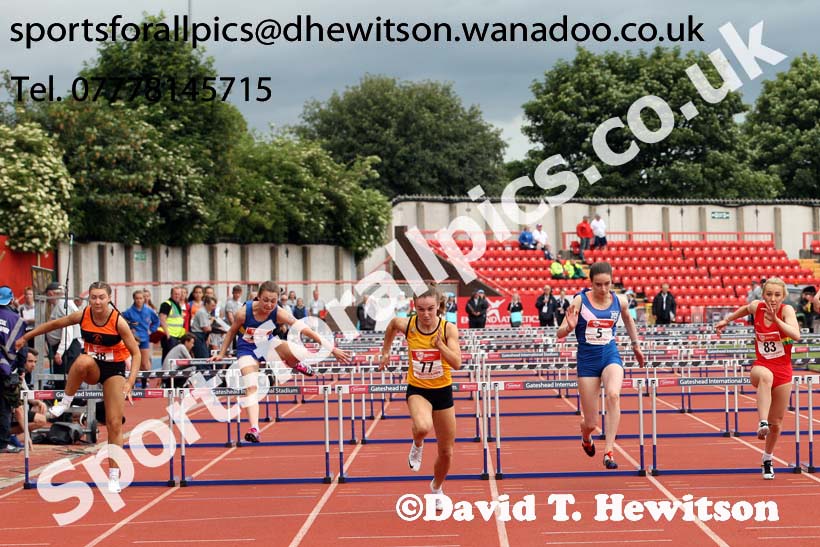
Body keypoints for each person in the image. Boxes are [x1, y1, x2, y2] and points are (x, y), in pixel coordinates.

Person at [16, 281, 140, 493]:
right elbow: (53, 325)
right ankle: (64, 402)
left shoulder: (118, 322)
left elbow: (136, 354)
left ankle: (113, 475)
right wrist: (26, 337)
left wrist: (129, 383)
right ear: (89, 299)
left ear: (109, 298)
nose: (97, 301)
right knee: (81, 360)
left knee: (114, 423)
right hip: (93, 367)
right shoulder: (84, 315)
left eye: (101, 297)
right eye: (93, 297)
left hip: (114, 370)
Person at [213, 281, 351, 443]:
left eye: (273, 301)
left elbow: (305, 329)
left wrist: (332, 349)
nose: (269, 305)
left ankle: (294, 363)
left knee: (298, 350)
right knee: (250, 386)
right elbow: (231, 332)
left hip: (267, 345)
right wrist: (221, 354)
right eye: (265, 300)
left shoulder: (279, 313)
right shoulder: (243, 313)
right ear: (258, 297)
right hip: (247, 350)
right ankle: (254, 428)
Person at [555, 262, 645, 469]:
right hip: (587, 361)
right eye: (598, 285)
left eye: (607, 284)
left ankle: (609, 451)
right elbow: (559, 333)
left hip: (610, 355)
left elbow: (629, 321)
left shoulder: (619, 300)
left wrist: (635, 345)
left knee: (613, 394)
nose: (603, 289)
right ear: (591, 283)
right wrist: (568, 328)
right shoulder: (580, 300)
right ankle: (586, 436)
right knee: (591, 423)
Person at [378, 286, 462, 507]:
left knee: (446, 451)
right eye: (421, 309)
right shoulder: (408, 325)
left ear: (439, 307)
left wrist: (441, 346)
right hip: (418, 389)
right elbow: (392, 325)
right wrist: (385, 352)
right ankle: (417, 444)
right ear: (414, 308)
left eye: (431, 309)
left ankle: (436, 488)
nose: (425, 315)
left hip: (443, 391)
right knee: (423, 427)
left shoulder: (448, 329)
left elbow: (457, 363)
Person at [715, 278, 801, 480]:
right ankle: (762, 422)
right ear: (763, 294)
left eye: (777, 295)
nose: (772, 298)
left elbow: (795, 335)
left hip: (783, 370)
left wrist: (776, 319)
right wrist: (726, 321)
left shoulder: (786, 311)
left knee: (777, 423)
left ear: (783, 296)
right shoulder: (757, 307)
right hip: (761, 366)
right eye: (769, 294)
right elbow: (745, 309)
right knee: (765, 376)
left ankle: (767, 458)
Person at [1, 286, 27, 453]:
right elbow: (22, 347)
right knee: (3, 408)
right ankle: (2, 444)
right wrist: (22, 368)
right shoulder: (17, 320)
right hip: (5, 369)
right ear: (11, 300)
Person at [122, 290, 160, 388]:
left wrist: (151, 330)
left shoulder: (149, 310)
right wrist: (130, 329)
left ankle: (144, 382)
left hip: (144, 338)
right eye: (137, 298)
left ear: (144, 299)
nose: (139, 300)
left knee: (145, 363)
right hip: (134, 339)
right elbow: (122, 320)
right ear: (134, 299)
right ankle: (134, 382)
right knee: (134, 361)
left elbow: (156, 321)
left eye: (141, 298)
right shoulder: (129, 312)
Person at [10, 349, 49, 440]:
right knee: (41, 420)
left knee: (39, 407)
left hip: (18, 409)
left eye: (35, 362)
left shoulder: (24, 374)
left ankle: (10, 435)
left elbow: (27, 394)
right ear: (22, 361)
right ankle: (7, 435)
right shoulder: (14, 373)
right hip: (11, 410)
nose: (33, 365)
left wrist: (38, 402)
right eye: (30, 361)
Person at [158, 286, 187, 360]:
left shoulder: (177, 305)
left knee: (175, 359)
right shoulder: (166, 304)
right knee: (168, 358)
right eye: (175, 294)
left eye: (178, 294)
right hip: (169, 336)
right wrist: (168, 335)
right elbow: (162, 320)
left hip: (177, 336)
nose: (177, 296)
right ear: (171, 294)